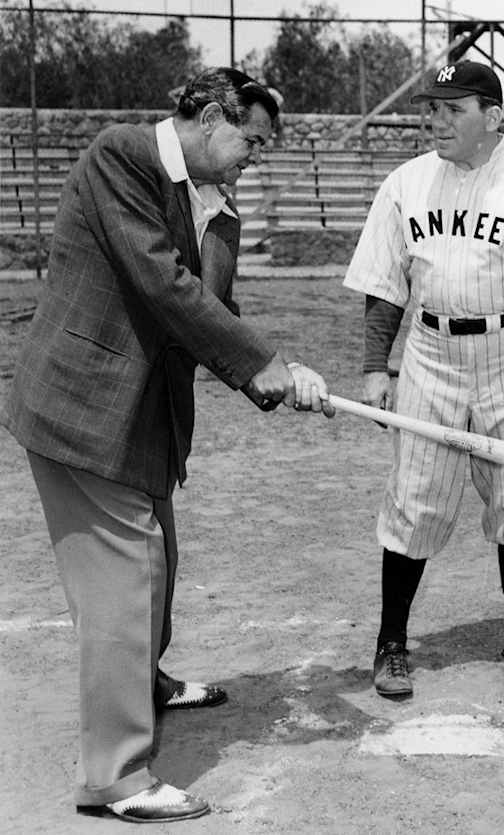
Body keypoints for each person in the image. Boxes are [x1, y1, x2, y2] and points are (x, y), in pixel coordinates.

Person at [1, 67, 334, 824]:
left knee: (160, 562)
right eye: (249, 139)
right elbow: (162, 284)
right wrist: (261, 361)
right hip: (83, 407)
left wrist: (277, 379)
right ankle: (114, 778)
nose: (255, 156)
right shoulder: (121, 155)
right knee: (124, 580)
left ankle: (144, 681)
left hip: (144, 416)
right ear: (212, 115)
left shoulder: (219, 205)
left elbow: (212, 310)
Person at [342, 60, 504, 699]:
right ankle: (391, 645)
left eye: (453, 109)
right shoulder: (405, 184)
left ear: (492, 117)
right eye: (432, 107)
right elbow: (384, 284)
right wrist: (378, 368)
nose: (436, 120)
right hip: (430, 351)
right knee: (415, 496)